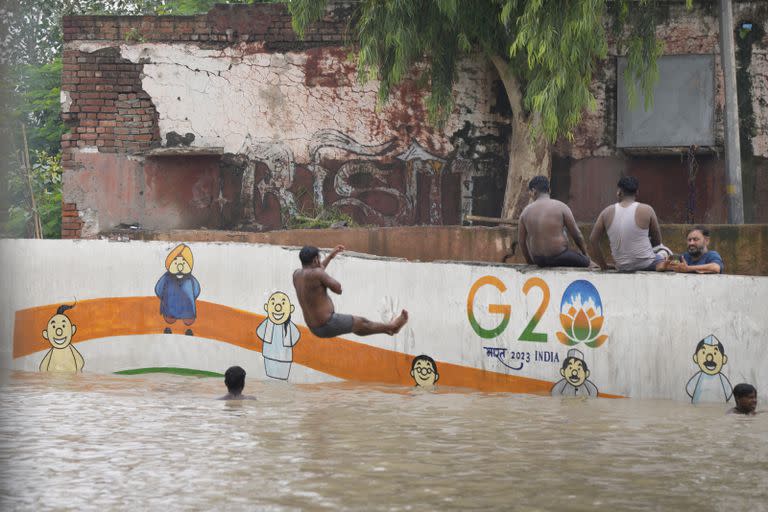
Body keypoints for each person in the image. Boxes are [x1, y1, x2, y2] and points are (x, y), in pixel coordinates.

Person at [293, 245, 408, 338]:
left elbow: (316, 272)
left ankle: (386, 330)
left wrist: (331, 256)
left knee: (357, 326)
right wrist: (327, 277)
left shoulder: (297, 274)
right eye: (319, 259)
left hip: (313, 327)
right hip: (327, 324)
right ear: (315, 259)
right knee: (362, 322)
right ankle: (393, 327)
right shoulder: (317, 273)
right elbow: (338, 289)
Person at [589, 176, 664, 271]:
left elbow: (593, 240)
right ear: (637, 192)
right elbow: (657, 242)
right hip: (647, 264)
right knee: (664, 253)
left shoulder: (606, 212)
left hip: (622, 266)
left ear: (619, 192)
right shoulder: (647, 210)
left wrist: (603, 266)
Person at [518, 176, 591, 268]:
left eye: (530, 192)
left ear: (533, 191)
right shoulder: (561, 206)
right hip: (561, 257)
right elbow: (577, 235)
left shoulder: (525, 212)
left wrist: (530, 262)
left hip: (539, 260)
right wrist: (586, 257)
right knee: (586, 261)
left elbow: (521, 242)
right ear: (549, 190)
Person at [659, 226, 724, 274]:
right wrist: (665, 265)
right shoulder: (684, 257)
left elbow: (716, 267)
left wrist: (687, 269)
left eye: (695, 239)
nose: (691, 243)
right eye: (689, 240)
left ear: (706, 241)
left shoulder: (712, 255)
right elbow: (662, 266)